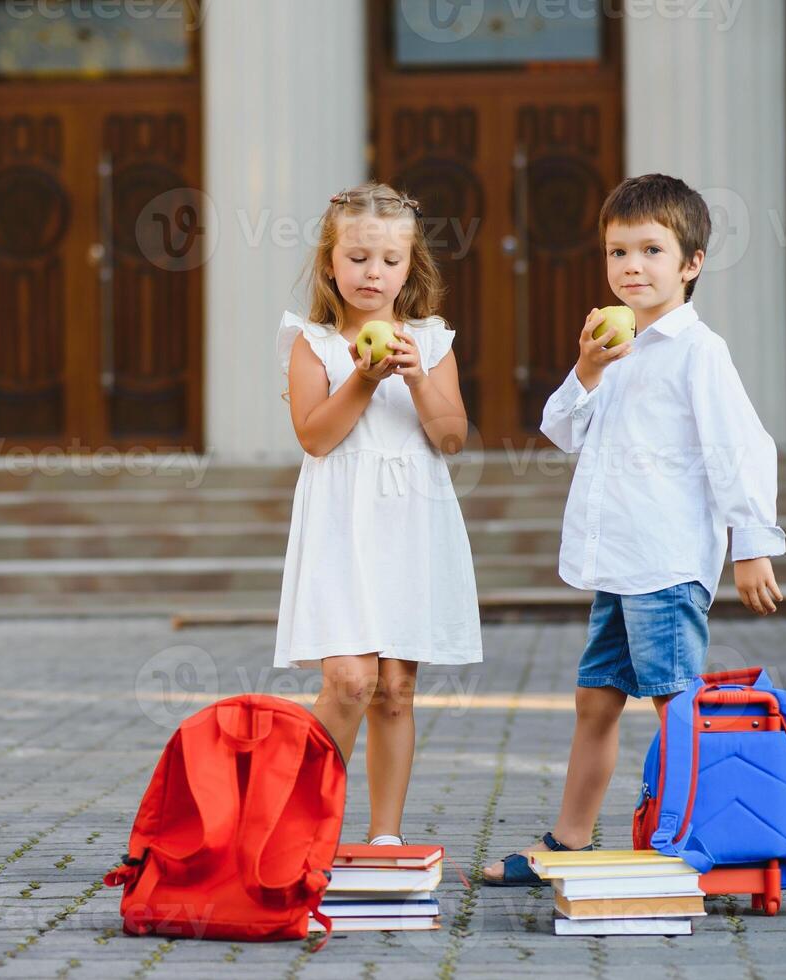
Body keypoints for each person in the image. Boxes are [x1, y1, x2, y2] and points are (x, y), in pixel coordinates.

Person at [482, 173, 786, 885]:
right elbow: (559, 430)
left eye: (652, 250)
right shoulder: (612, 347)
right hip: (618, 564)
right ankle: (569, 841)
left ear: (691, 263)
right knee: (595, 700)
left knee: (676, 706)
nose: (632, 267)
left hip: (668, 562)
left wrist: (752, 545)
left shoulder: (696, 351)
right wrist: (587, 366)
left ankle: (692, 844)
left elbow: (741, 448)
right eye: (619, 252)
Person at [274, 181, 483, 847]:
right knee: (351, 679)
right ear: (331, 262)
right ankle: (303, 822)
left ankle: (385, 836)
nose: (373, 273)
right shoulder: (312, 342)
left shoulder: (431, 341)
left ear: (410, 267)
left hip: (409, 523)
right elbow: (315, 436)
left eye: (389, 261)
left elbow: (451, 437)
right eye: (358, 258)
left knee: (394, 687)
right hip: (342, 524)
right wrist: (363, 377)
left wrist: (418, 376)